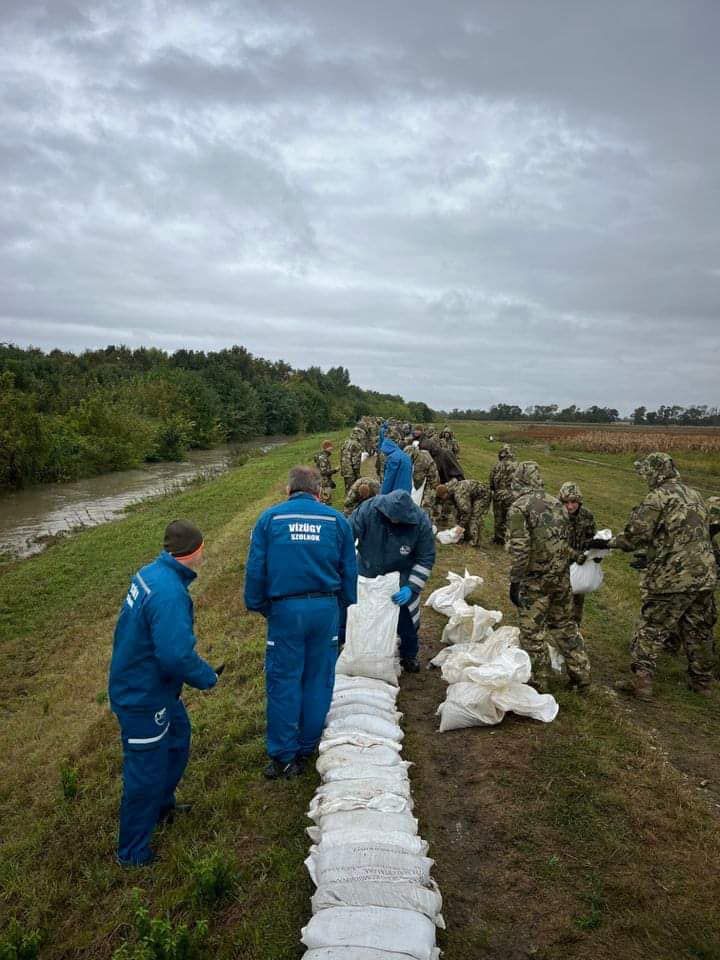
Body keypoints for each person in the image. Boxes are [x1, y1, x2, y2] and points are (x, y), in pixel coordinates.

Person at [108, 520, 220, 867]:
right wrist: (206, 678)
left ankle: (163, 805)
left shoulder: (150, 573)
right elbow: (175, 655)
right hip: (143, 695)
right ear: (196, 550)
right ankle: (132, 853)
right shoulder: (169, 593)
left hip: (153, 686)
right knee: (145, 772)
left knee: (177, 738)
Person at [244, 466, 357, 779]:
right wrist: (343, 612)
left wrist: (259, 605)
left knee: (283, 681)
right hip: (325, 609)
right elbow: (350, 572)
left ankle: (283, 755)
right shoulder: (337, 521)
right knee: (318, 679)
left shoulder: (270, 520)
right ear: (318, 492)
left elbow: (256, 569)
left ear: (288, 490)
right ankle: (308, 745)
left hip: (286, 610)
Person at [607, 453, 716, 700]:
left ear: (655, 472)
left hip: (673, 576)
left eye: (645, 472)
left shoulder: (657, 497)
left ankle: (642, 682)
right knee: (699, 629)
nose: (644, 477)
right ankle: (702, 683)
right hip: (704, 574)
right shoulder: (695, 494)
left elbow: (636, 535)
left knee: (651, 627)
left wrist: (610, 543)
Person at [506, 462, 591, 692]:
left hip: (535, 580)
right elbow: (563, 543)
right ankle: (581, 674)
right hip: (561, 578)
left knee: (532, 632)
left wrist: (515, 580)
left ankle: (537, 683)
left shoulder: (519, 507)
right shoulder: (557, 503)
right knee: (565, 626)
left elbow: (521, 549)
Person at [350, 489, 435, 673]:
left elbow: (425, 558)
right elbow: (347, 536)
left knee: (406, 622)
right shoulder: (368, 510)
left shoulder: (421, 523)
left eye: (398, 522)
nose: (394, 523)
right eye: (390, 519)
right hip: (367, 571)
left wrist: (411, 588)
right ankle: (356, 648)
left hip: (400, 578)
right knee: (360, 614)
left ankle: (409, 655)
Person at [558, 481, 597, 624]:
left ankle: (574, 627)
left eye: (573, 502)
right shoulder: (554, 514)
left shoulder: (587, 516)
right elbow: (555, 542)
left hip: (580, 566)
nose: (570, 506)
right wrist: (574, 554)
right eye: (566, 502)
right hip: (559, 563)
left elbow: (591, 538)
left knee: (578, 599)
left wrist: (595, 553)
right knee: (557, 597)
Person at [434, 478, 491, 547]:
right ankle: (466, 537)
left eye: (442, 497)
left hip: (483, 495)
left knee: (474, 518)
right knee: (461, 516)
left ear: (445, 494)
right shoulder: (449, 490)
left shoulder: (459, 494)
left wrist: (460, 526)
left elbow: (466, 513)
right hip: (472, 495)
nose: (443, 499)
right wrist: (458, 525)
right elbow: (459, 511)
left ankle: (473, 542)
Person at [489, 444, 516, 545]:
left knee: (499, 518)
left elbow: (491, 480)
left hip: (499, 495)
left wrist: (494, 489)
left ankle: (499, 539)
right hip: (512, 495)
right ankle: (510, 539)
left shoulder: (496, 465)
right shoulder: (517, 466)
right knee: (510, 518)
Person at [407, 442, 440, 514]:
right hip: (432, 478)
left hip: (431, 482)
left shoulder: (420, 461)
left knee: (427, 504)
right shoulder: (423, 453)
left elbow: (418, 480)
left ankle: (427, 520)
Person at [379, 424, 413, 494]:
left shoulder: (393, 457)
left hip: (395, 495)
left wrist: (382, 495)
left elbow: (388, 480)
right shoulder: (405, 456)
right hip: (406, 493)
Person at [340, 428, 365, 494]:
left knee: (347, 488)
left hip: (345, 469)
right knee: (353, 490)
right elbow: (356, 461)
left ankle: (347, 500)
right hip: (351, 470)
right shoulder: (356, 444)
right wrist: (357, 474)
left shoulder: (346, 442)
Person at [314, 440, 338, 505]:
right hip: (324, 482)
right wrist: (334, 470)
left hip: (323, 481)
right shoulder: (323, 458)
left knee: (324, 499)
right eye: (331, 447)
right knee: (326, 501)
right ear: (327, 447)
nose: (332, 449)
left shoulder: (322, 456)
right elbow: (323, 472)